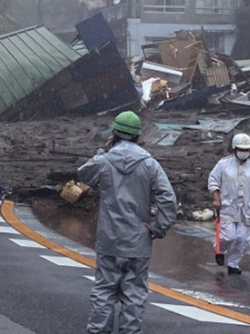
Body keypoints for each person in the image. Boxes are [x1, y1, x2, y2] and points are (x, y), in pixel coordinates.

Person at [79, 111, 177, 334]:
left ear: (114, 133)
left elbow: (83, 174)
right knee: (134, 294)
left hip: (109, 239)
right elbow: (168, 199)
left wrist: (103, 151)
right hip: (137, 240)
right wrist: (158, 228)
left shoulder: (104, 160)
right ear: (137, 136)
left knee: (104, 291)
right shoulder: (150, 164)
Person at [208, 133, 250, 276]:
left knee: (243, 239)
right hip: (228, 207)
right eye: (241, 149)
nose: (244, 152)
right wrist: (216, 198)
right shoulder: (223, 164)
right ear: (234, 149)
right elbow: (213, 181)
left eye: (247, 149)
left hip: (247, 210)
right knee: (228, 237)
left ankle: (233, 264)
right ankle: (220, 250)